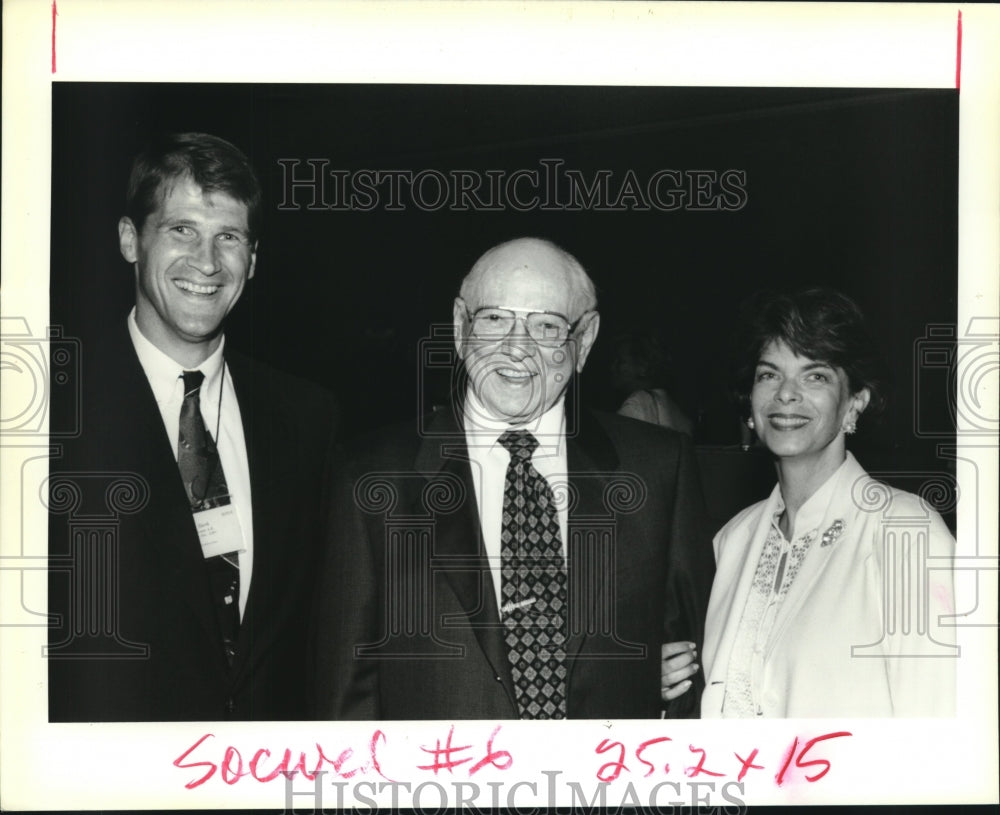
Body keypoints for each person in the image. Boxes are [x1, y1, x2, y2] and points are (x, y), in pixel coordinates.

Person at [314, 237, 714, 720]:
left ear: (583, 341)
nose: (517, 348)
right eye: (495, 319)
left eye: (547, 325)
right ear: (461, 327)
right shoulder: (370, 476)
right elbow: (344, 697)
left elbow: (695, 666)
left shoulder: (656, 468)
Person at [47, 133, 337, 721]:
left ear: (251, 261)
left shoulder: (309, 418)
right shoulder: (54, 413)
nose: (207, 262)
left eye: (228, 237)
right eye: (182, 230)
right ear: (131, 240)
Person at [698, 288, 956, 717]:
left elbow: (937, 723)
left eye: (815, 376)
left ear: (855, 402)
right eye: (768, 374)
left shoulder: (905, 531)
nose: (786, 394)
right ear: (750, 401)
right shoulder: (732, 540)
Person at [611, 331, 694, 435]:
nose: (612, 367)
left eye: (620, 361)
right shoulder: (678, 413)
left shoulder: (637, 404)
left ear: (643, 367)